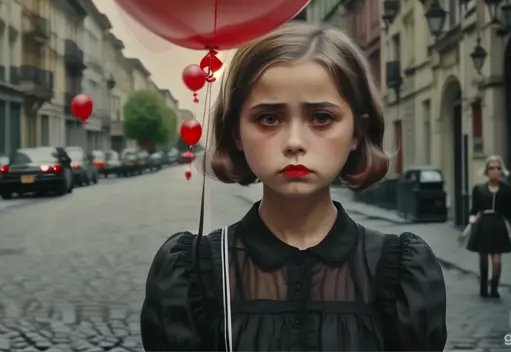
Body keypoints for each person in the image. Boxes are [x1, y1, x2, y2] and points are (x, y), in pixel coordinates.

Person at [140, 22, 447, 351]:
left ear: (357, 132)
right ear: (236, 133)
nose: (295, 142)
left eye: (321, 118)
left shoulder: (400, 272)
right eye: (269, 118)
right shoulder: (192, 275)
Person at [466, 155, 511, 298]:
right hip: (483, 224)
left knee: (496, 259)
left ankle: (494, 287)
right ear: (487, 171)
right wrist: (472, 218)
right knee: (483, 260)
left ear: (502, 171)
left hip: (498, 225)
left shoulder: (507, 190)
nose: (495, 171)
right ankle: (483, 288)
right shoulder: (478, 189)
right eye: (491, 168)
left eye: (498, 168)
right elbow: (474, 209)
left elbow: (509, 212)